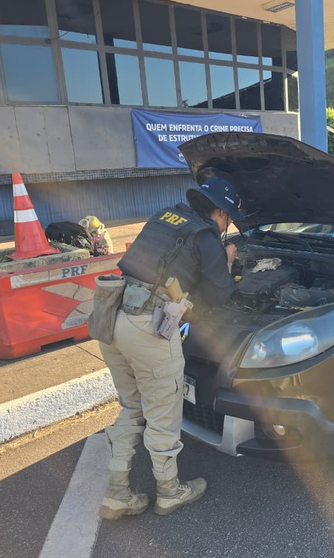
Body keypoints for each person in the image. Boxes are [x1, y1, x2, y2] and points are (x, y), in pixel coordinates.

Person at [98, 171, 242, 519]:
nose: (227, 223)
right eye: (229, 218)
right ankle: (169, 491)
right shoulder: (207, 236)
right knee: (163, 412)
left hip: (111, 313)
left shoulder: (167, 216)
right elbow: (221, 293)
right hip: (147, 325)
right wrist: (228, 260)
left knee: (133, 407)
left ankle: (118, 493)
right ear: (221, 213)